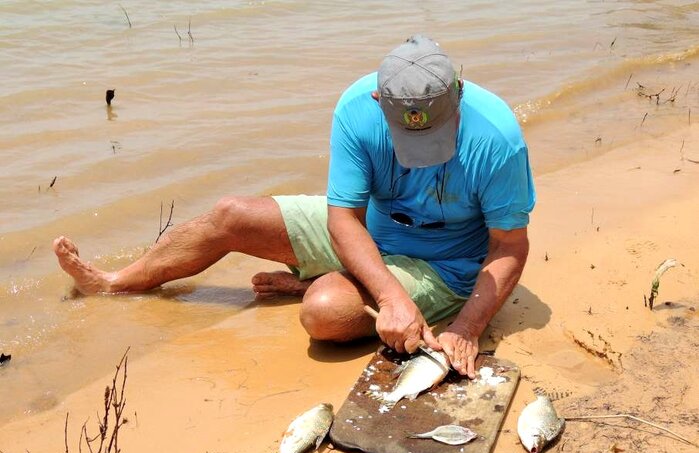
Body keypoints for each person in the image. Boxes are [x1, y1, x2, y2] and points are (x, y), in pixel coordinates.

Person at [53, 35, 535, 379]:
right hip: (370, 231)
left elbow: (510, 244)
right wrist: (391, 298)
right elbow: (343, 216)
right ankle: (113, 283)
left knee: (324, 312)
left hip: (443, 263)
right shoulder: (356, 109)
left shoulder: (496, 138)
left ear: (459, 94)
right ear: (378, 101)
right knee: (231, 215)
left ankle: (319, 283)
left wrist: (469, 327)